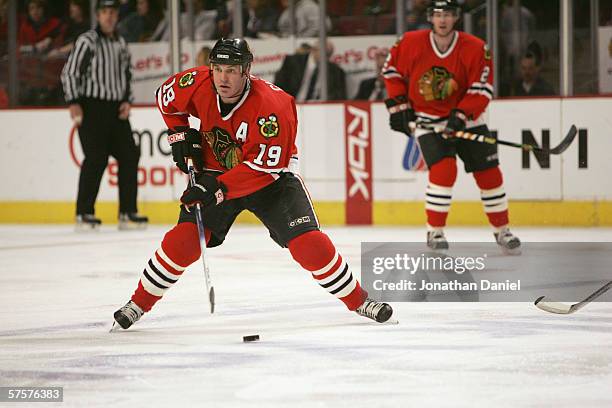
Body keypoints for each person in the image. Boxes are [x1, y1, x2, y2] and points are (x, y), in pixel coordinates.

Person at [111, 38, 393, 330]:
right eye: (218, 69)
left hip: (271, 180)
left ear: (246, 70)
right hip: (215, 172)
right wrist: (179, 134)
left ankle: (360, 301)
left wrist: (215, 188)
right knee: (182, 242)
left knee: (308, 245)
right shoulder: (196, 83)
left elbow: (262, 169)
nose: (223, 77)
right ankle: (137, 304)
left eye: (231, 70)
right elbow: (165, 99)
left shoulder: (274, 106)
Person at [383, 0, 521, 252]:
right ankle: (434, 232)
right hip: (429, 122)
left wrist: (460, 115)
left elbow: (482, 88)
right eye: (438, 15)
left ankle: (502, 230)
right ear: (430, 18)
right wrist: (399, 108)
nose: (443, 20)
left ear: (456, 17)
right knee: (444, 172)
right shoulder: (410, 42)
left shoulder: (476, 48)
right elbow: (392, 73)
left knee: (489, 174)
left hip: (468, 121)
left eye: (447, 14)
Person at [60, 0, 148, 230]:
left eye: (112, 12)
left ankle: (127, 212)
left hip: (116, 109)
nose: (109, 16)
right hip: (91, 108)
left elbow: (127, 74)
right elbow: (69, 73)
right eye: (105, 12)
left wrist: (127, 100)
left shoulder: (120, 42)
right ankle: (84, 212)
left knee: (129, 155)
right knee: (96, 158)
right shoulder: (87, 41)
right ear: (98, 15)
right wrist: (74, 102)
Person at [274, 40, 347, 101]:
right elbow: (279, 85)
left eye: (329, 54)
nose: (326, 57)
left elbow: (339, 96)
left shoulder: (336, 71)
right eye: (325, 53)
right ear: (313, 50)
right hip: (293, 103)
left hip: (320, 108)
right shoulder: (293, 62)